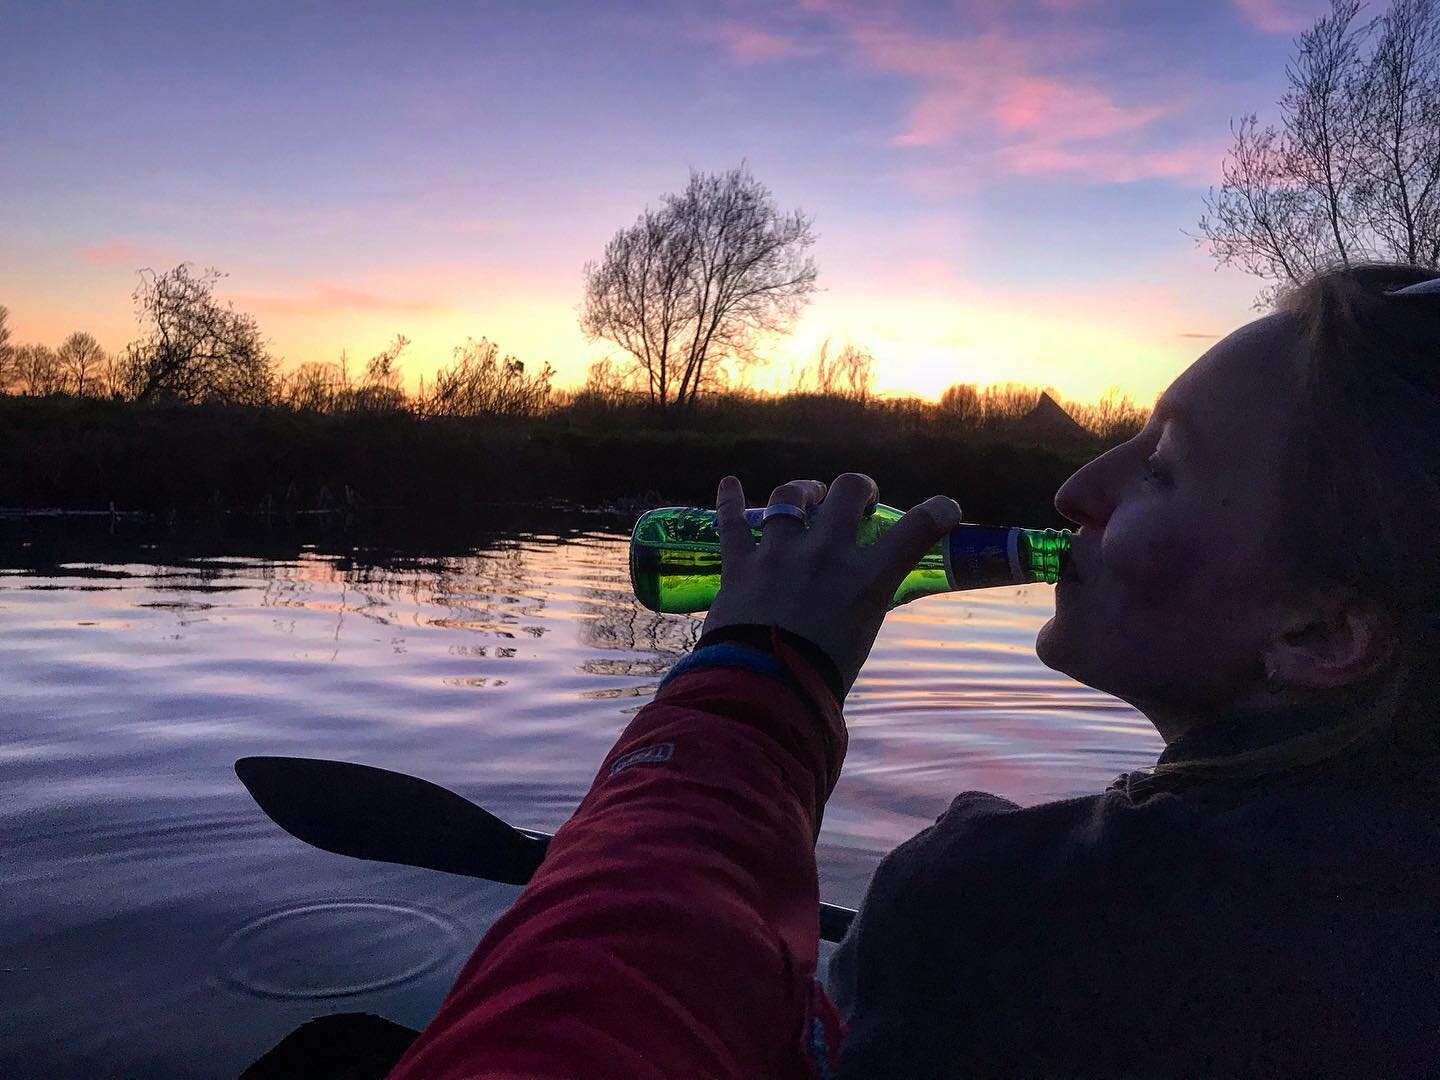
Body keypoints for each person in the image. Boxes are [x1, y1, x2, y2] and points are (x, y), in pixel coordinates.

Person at [387, 264, 1440, 1079]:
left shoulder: (1000, 918)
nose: (1077, 487)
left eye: (1162, 465)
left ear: (1323, 634)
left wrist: (758, 673)